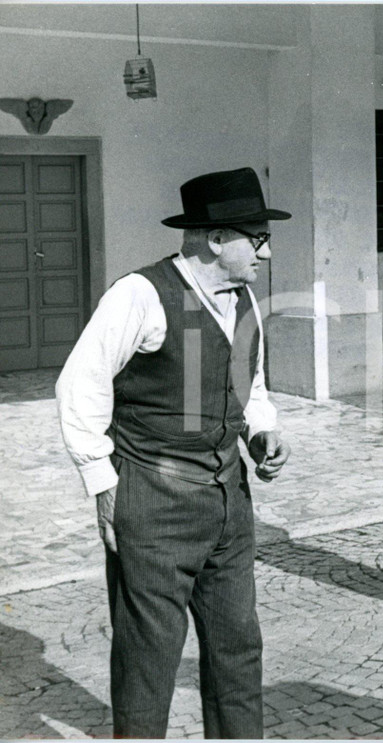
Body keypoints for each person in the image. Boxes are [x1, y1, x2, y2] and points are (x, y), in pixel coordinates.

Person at [56, 167, 292, 738]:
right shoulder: (141, 294)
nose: (265, 251)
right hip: (154, 503)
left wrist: (262, 430)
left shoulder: (245, 302)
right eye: (256, 237)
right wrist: (102, 485)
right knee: (148, 662)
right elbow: (79, 384)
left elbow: (248, 385)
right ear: (215, 239)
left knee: (238, 648)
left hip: (229, 502)